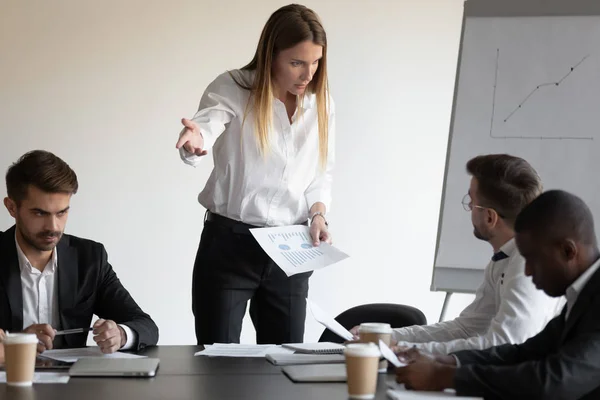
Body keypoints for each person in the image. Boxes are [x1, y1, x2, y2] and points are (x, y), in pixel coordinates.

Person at [175, 4, 334, 345]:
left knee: (283, 363)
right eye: (297, 63)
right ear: (270, 55)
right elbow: (206, 125)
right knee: (216, 361)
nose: (308, 74)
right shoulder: (233, 87)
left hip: (290, 247)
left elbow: (321, 172)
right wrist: (194, 143)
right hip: (230, 245)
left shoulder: (322, 103)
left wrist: (319, 214)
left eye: (316, 62)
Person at [395, 190, 600, 399]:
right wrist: (449, 361)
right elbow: (522, 354)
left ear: (568, 251)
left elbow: (554, 380)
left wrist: (446, 377)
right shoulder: (582, 294)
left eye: (532, 259)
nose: (527, 272)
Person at [353, 154, 561, 354]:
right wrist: (387, 336)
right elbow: (466, 328)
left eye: (472, 202)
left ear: (490, 217)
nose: (469, 207)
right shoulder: (504, 258)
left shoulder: (528, 263)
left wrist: (407, 350)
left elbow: (502, 346)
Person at [0, 150, 159, 354]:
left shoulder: (89, 258)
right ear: (12, 207)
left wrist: (120, 334)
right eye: (40, 213)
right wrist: (16, 343)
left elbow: (146, 326)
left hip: (73, 384)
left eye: (62, 212)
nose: (53, 226)